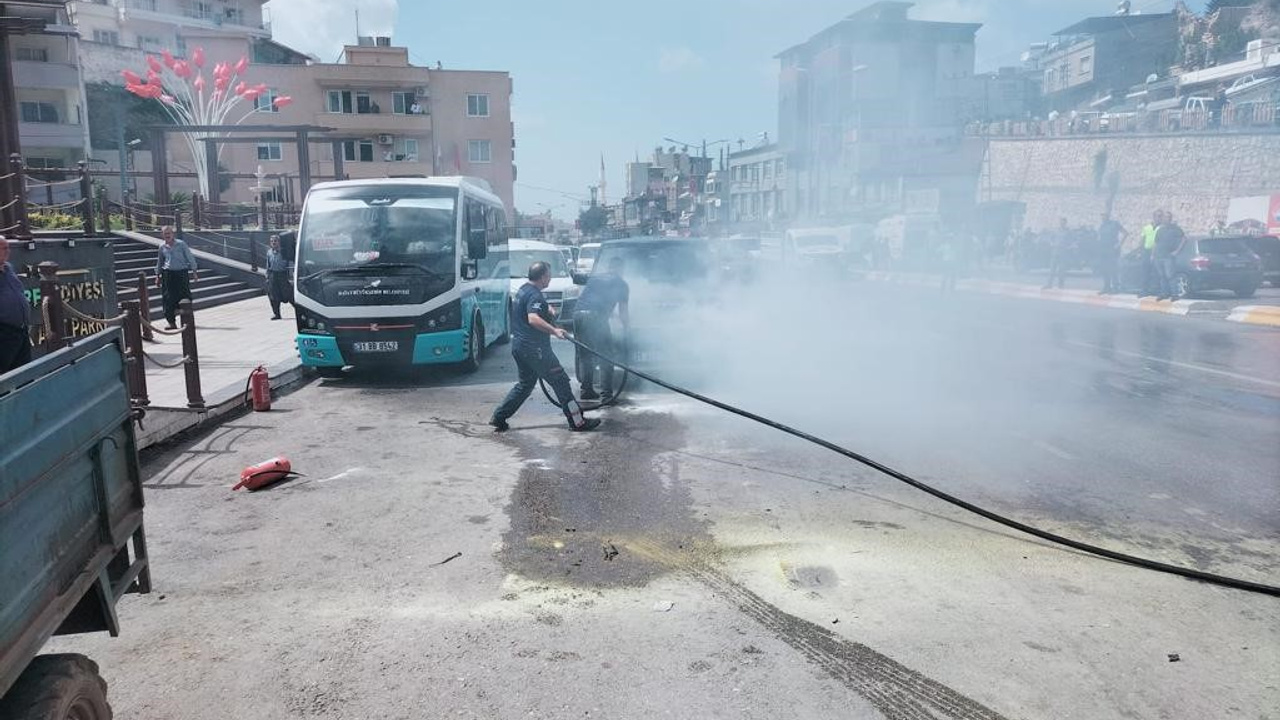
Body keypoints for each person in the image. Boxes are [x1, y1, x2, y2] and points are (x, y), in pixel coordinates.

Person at [490, 262, 600, 433]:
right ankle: (578, 422)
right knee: (561, 382)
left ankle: (499, 417)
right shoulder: (535, 295)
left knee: (525, 385)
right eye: (548, 275)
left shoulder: (524, 290)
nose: (549, 278)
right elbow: (533, 318)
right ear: (542, 277)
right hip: (536, 350)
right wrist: (554, 330)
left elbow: (531, 307)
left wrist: (546, 309)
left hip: (520, 347)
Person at [572, 257, 629, 400]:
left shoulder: (595, 279)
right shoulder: (622, 284)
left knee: (585, 355)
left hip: (578, 316)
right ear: (621, 269)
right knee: (606, 356)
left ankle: (586, 390)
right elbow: (623, 312)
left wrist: (610, 313)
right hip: (595, 318)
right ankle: (607, 395)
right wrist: (627, 328)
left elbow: (590, 301)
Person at [154, 225, 198, 329]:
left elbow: (190, 257)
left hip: (181, 273)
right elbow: (160, 262)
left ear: (172, 234)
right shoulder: (162, 247)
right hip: (168, 274)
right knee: (168, 298)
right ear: (163, 235)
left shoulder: (181, 244)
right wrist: (157, 275)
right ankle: (171, 322)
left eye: (169, 233)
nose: (167, 235)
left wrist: (194, 271)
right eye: (165, 234)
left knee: (185, 296)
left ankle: (187, 321)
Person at [0, 240, 33, 374]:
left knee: (23, 374)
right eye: (3, 248)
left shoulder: (8, 268)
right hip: (4, 333)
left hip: (21, 331)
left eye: (8, 248)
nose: (7, 251)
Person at [1153, 211, 1186, 300]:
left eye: (1168, 217)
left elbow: (1184, 238)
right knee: (1162, 276)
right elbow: (1156, 243)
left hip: (1168, 256)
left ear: (1170, 219)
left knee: (1170, 275)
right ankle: (1164, 293)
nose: (1166, 219)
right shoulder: (1160, 230)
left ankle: (1174, 295)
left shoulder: (1176, 229)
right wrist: (1153, 254)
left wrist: (1177, 251)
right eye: (1165, 217)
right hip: (1158, 256)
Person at [1096, 213, 1127, 294]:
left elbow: (1125, 233)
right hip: (1103, 250)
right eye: (1101, 215)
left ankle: (1115, 288)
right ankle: (1106, 287)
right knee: (1104, 269)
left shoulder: (1114, 224)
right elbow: (1099, 237)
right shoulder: (1102, 226)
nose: (1103, 217)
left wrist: (1119, 244)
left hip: (1112, 250)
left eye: (1104, 215)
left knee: (1113, 269)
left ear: (1108, 216)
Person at [265, 234, 293, 320]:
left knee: (288, 294)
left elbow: (290, 263)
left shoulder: (284, 252)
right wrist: (267, 276)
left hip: (282, 274)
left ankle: (301, 311)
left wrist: (291, 275)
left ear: (279, 242)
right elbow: (268, 265)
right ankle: (276, 314)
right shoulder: (269, 252)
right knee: (273, 296)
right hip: (273, 275)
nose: (273, 243)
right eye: (272, 241)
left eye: (275, 241)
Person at [1043, 218, 1069, 289]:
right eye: (1061, 222)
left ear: (1065, 223)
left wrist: (1068, 246)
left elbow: (1071, 240)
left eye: (1063, 222)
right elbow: (1050, 238)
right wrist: (1052, 243)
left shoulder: (1068, 231)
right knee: (1052, 269)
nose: (1062, 223)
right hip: (1055, 251)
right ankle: (1049, 284)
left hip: (1063, 252)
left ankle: (1061, 285)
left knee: (1062, 270)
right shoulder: (1056, 230)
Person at [1139, 210, 1161, 297]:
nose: (1160, 218)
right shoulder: (1146, 227)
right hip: (1146, 251)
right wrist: (1140, 251)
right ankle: (1144, 290)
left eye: (1161, 216)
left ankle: (1155, 290)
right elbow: (1142, 239)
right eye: (1158, 216)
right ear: (1154, 217)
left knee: (1156, 272)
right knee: (1145, 272)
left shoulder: (1161, 228)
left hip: (1157, 252)